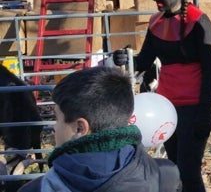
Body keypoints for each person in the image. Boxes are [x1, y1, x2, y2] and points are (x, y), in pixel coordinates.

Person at [113, 0, 211, 192]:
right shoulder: (156, 22)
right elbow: (144, 60)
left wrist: (205, 113)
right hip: (166, 107)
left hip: (193, 107)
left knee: (189, 173)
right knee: (174, 169)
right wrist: (126, 58)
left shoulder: (200, 23)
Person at [18, 66, 181, 192]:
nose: (54, 128)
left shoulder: (38, 188)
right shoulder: (164, 176)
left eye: (57, 119)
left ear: (80, 128)